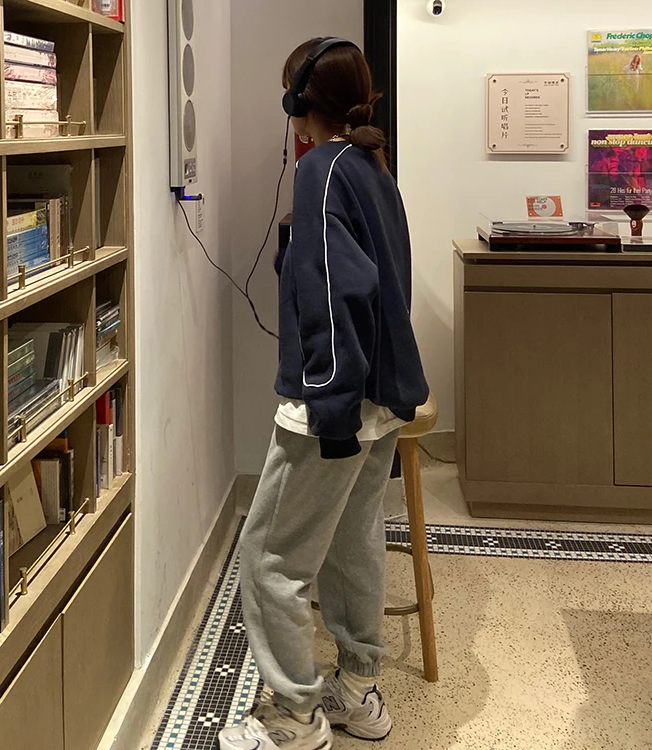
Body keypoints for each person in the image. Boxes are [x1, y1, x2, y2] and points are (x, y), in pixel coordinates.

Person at [218, 37, 429, 750]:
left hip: (334, 402)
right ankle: (357, 692)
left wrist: (329, 406)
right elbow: (374, 279)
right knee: (351, 544)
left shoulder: (321, 170)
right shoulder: (370, 165)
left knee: (269, 561)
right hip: (381, 397)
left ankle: (294, 716)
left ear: (299, 100)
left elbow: (338, 295)